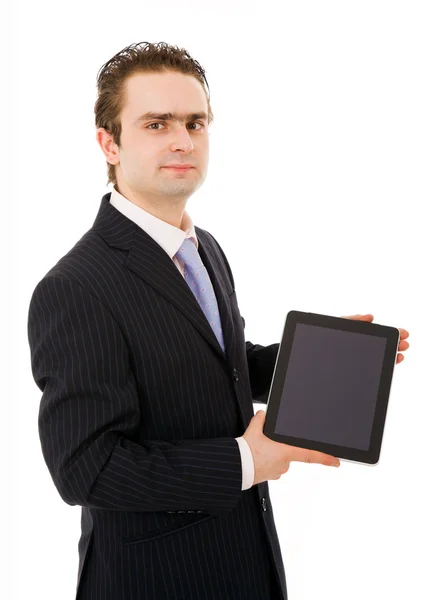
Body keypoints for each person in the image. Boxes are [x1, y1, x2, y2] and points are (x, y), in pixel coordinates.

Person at [27, 41, 410, 600]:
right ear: (109, 143)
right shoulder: (73, 288)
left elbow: (217, 364)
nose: (183, 140)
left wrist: (318, 358)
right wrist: (246, 459)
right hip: (156, 581)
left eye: (195, 122)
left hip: (246, 560)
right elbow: (87, 470)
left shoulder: (202, 248)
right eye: (156, 124)